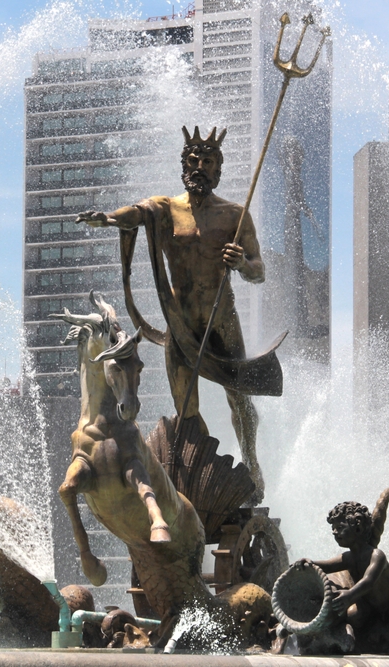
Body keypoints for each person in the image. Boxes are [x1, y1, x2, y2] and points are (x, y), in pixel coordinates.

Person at [77, 125, 281, 505]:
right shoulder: (165, 209)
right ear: (184, 166)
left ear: (218, 170)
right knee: (185, 409)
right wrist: (106, 218)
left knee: (239, 399)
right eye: (193, 160)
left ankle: (252, 463)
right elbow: (134, 214)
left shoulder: (235, 215)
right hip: (181, 326)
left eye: (207, 161)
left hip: (222, 322)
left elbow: (259, 270)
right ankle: (200, 472)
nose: (199, 166)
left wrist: (241, 263)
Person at [295, 490, 389, 657]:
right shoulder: (349, 557)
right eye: (333, 528)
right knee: (354, 616)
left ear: (358, 527)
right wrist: (308, 563)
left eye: (340, 528)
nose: (334, 532)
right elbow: (326, 566)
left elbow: (369, 581)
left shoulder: (377, 555)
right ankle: (371, 635)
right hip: (371, 603)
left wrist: (349, 595)